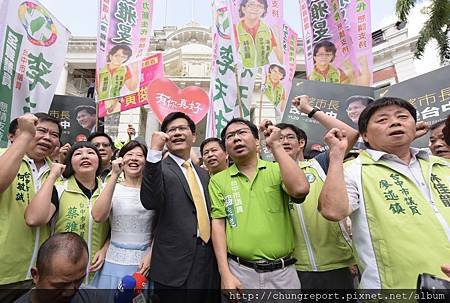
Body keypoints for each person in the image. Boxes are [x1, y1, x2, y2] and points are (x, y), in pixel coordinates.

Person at [319, 97, 450, 289]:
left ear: (416, 127)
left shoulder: (442, 165)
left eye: (403, 117)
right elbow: (333, 211)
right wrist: (337, 155)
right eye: (382, 120)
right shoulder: (353, 170)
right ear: (365, 135)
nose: (395, 122)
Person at [268, 94, 359, 290]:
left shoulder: (321, 163)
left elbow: (350, 134)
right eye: (279, 138)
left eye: (290, 137)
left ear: (301, 143)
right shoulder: (268, 173)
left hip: (337, 264)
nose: (284, 141)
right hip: (293, 268)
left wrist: (309, 110)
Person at [209, 118, 309, 294]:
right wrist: (224, 273)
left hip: (283, 274)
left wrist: (276, 145)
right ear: (226, 149)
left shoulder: (277, 170)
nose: (236, 138)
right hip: (240, 272)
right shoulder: (218, 180)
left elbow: (300, 190)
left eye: (242, 132)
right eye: (230, 136)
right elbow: (218, 225)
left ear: (257, 142)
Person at [140, 112, 220, 302]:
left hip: (207, 261)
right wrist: (153, 153)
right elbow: (150, 201)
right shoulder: (159, 168)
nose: (177, 133)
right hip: (173, 266)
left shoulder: (203, 174)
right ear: (165, 137)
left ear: (194, 136)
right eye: (171, 130)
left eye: (182, 128)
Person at [24, 141, 110, 284]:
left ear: (99, 161)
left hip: (100, 272)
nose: (85, 157)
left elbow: (116, 228)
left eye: (90, 153)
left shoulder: (110, 189)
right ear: (70, 162)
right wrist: (52, 176)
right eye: (78, 154)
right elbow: (33, 219)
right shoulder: (58, 189)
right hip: (63, 275)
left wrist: (105, 249)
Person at [0, 113, 61, 302]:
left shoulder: (57, 172)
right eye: (40, 130)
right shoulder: (3, 157)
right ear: (14, 135)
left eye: (54, 134)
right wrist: (25, 136)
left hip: (35, 275)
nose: (47, 137)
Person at [91, 140, 156, 289]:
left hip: (143, 262)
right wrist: (114, 175)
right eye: (129, 154)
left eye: (139, 155)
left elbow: (160, 227)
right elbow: (98, 216)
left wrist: (151, 254)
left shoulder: (153, 192)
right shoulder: (112, 188)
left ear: (146, 161)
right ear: (121, 159)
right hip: (114, 259)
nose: (134, 158)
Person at [15, 232, 103, 303]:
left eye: (78, 281)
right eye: (61, 285)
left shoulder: (96, 298)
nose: (70, 292)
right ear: (35, 275)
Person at [235, 0, 283, 68]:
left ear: (264, 10)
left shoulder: (269, 30)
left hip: (262, 75)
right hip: (242, 74)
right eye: (251, 4)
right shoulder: (235, 29)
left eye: (259, 6)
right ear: (243, 8)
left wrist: (277, 37)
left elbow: (281, 61)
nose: (255, 8)